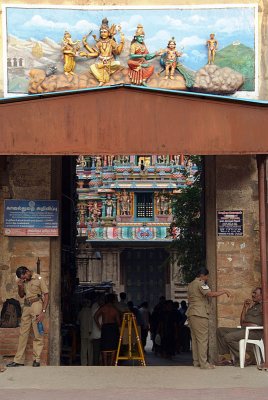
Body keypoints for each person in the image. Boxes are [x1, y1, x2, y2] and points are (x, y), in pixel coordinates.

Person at [187, 267, 230, 369]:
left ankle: (196, 362)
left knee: (195, 339)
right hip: (200, 313)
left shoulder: (191, 284)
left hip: (192, 313)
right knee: (202, 339)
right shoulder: (200, 283)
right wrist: (223, 291)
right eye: (207, 276)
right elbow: (210, 294)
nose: (207, 278)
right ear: (202, 275)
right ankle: (204, 363)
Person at [7, 266, 49, 367]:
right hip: (26, 307)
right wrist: (20, 286)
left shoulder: (38, 279)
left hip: (37, 305)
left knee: (37, 334)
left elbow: (46, 295)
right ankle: (18, 360)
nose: (24, 279)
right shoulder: (23, 281)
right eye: (22, 278)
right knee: (23, 334)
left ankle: (36, 360)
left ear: (27, 271)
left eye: (24, 276)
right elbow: (21, 295)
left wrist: (43, 311)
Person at [216, 287, 263, 366]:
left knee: (229, 337)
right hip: (244, 329)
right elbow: (242, 322)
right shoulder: (253, 306)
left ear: (261, 295)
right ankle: (227, 357)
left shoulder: (264, 306)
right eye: (253, 293)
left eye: (255, 293)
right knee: (220, 331)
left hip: (254, 332)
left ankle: (245, 357)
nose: (252, 295)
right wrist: (245, 307)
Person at [80, 18, 125, 86]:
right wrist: (86, 52)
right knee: (92, 67)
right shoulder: (99, 43)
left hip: (110, 62)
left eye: (105, 32)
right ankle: (102, 79)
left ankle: (105, 73)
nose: (103, 33)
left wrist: (122, 41)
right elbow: (95, 53)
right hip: (101, 63)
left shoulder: (111, 41)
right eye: (101, 32)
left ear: (108, 33)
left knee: (117, 63)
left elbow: (118, 52)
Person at [94, 293, 120, 365]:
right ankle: (111, 364)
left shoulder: (103, 308)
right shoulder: (115, 309)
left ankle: (105, 364)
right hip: (113, 328)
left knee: (104, 346)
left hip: (105, 327)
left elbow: (95, 316)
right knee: (113, 346)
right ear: (113, 300)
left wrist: (99, 326)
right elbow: (118, 322)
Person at [77, 298, 93, 366]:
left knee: (83, 349)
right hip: (90, 332)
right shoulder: (90, 311)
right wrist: (90, 330)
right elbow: (90, 321)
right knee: (90, 349)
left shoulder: (81, 312)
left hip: (83, 332)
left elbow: (77, 322)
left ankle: (83, 363)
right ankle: (90, 363)